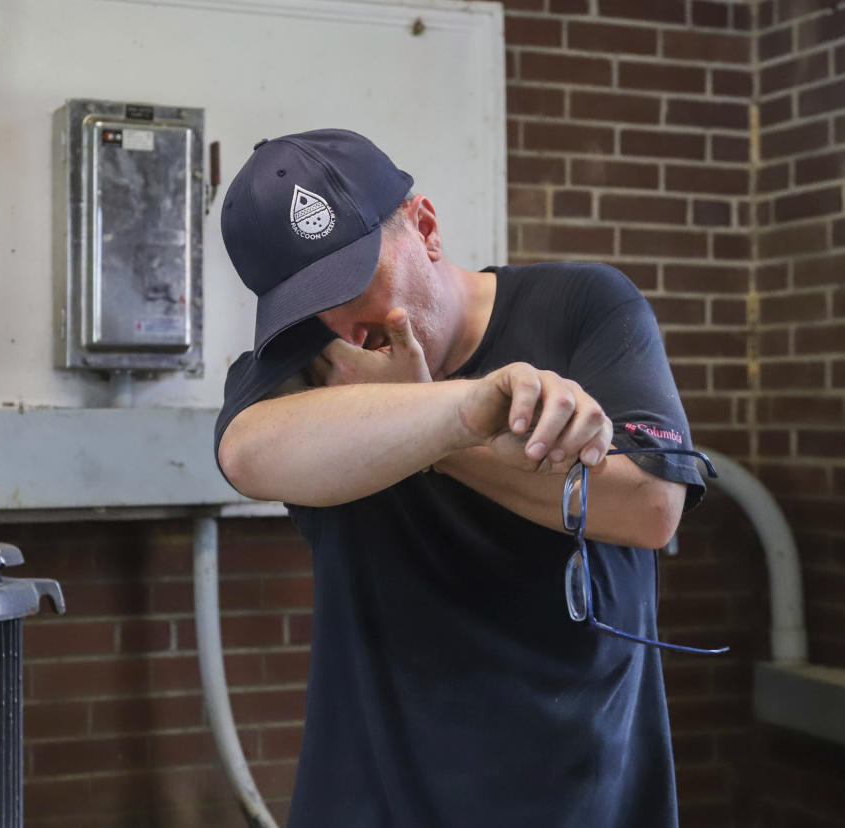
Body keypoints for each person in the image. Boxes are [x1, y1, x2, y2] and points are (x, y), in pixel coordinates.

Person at [214, 129, 706, 827]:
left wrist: (439, 439)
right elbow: (248, 455)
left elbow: (652, 506)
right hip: (374, 799)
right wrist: (456, 413)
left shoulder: (582, 306)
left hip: (579, 792)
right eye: (310, 304)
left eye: (356, 282)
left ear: (426, 228)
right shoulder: (313, 354)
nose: (347, 327)